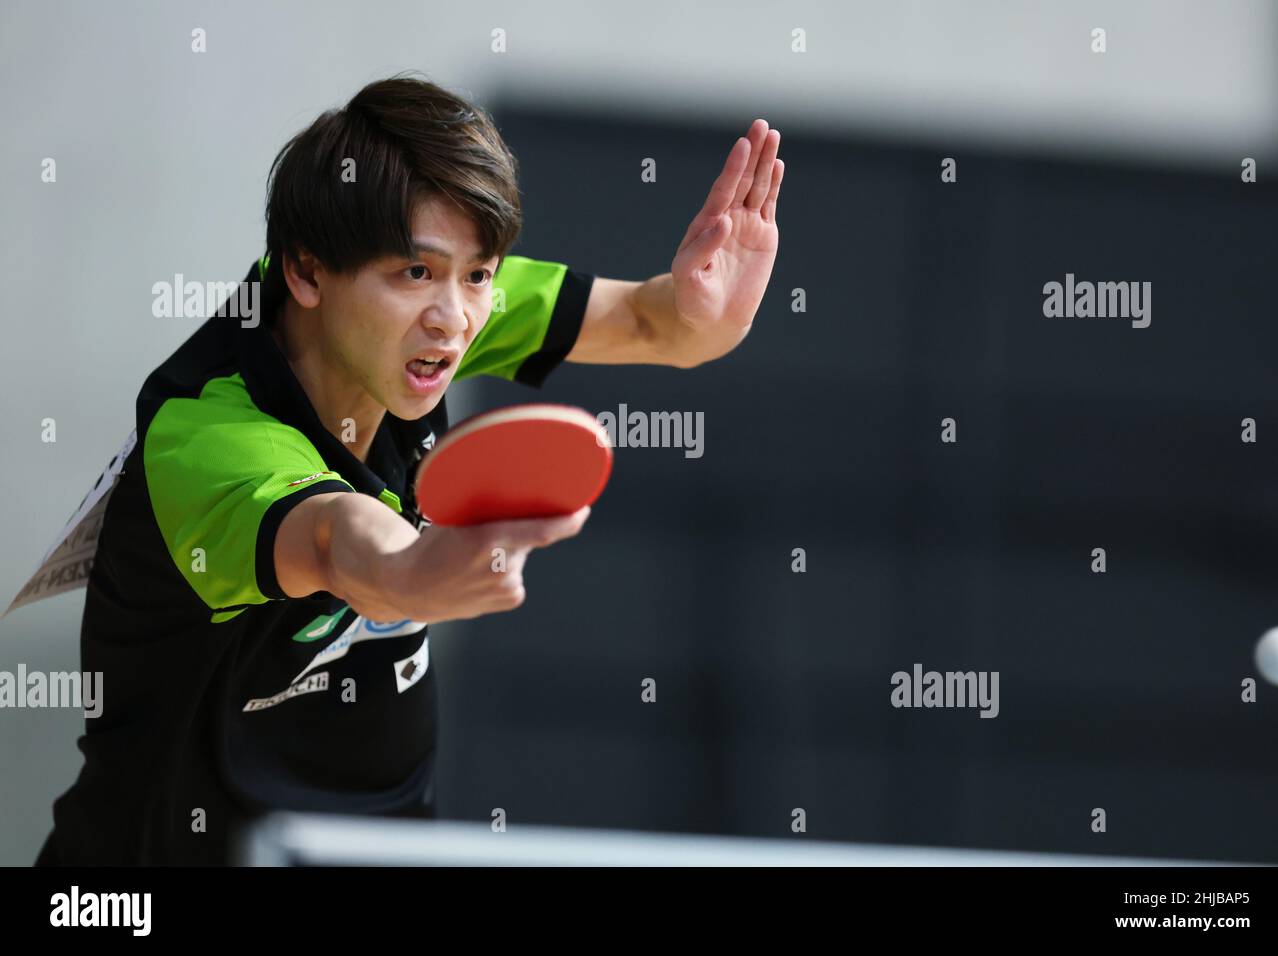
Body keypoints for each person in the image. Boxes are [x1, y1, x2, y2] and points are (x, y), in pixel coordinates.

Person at [35, 74, 782, 865]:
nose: (455, 318)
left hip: (368, 850)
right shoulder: (209, 435)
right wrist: (420, 571)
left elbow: (648, 320)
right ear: (307, 272)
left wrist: (701, 319)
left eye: (479, 274)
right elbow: (338, 545)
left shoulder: (431, 320)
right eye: (416, 273)